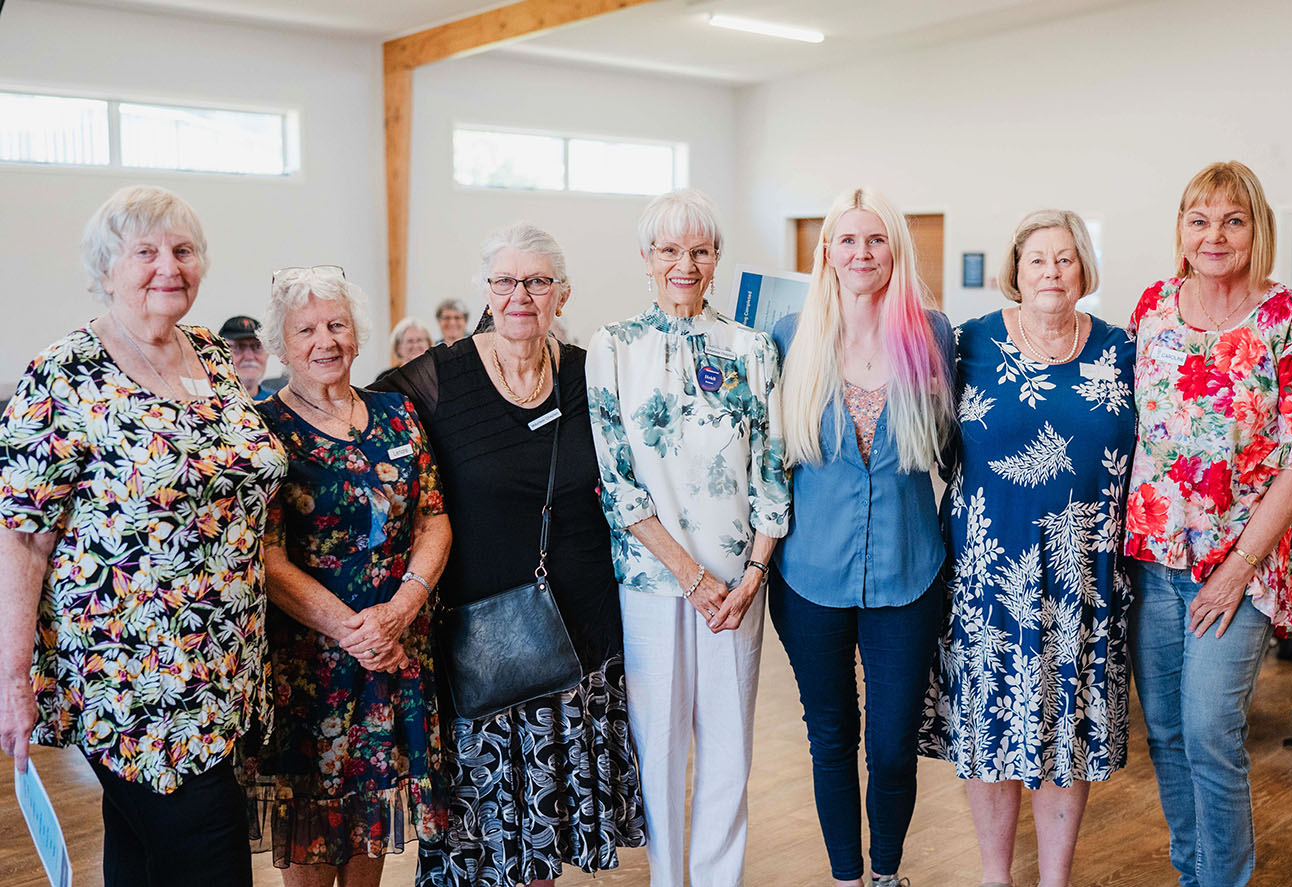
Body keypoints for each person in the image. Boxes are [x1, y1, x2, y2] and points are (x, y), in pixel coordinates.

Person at [0, 185, 288, 887]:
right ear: (106, 269)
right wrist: (11, 677)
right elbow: (22, 535)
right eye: (146, 252)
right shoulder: (64, 372)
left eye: (184, 251)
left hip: (223, 667)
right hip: (131, 678)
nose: (170, 266)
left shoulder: (212, 357)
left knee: (143, 856)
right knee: (209, 855)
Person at [377, 223, 645, 887]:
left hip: (581, 640)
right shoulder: (427, 383)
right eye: (505, 280)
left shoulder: (592, 374)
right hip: (483, 650)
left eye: (537, 280)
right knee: (481, 843)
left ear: (563, 293)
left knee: (541, 849)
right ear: (485, 291)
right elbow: (366, 462)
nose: (520, 293)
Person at [1124, 160, 1292, 887]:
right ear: (1182, 230)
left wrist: (1239, 565)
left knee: (1212, 730)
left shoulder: (1290, 319)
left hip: (1242, 566)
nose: (1215, 234)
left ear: (1257, 230)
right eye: (1200, 219)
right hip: (1153, 557)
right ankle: (1193, 873)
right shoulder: (1152, 306)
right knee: (1169, 735)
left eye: (1233, 219)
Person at [918, 209, 1136, 887]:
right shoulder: (970, 343)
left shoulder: (1123, 347)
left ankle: (1055, 878)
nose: (1051, 271)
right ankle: (994, 876)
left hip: (1086, 577)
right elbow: (930, 438)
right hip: (987, 573)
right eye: (1037, 258)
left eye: (1065, 258)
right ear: (1016, 270)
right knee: (991, 729)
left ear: (1084, 270)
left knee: (1065, 733)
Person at [586, 188, 791, 887]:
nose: (685, 263)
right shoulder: (613, 347)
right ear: (647, 259)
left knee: (729, 748)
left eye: (699, 251)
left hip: (738, 586)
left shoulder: (753, 349)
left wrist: (752, 575)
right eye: (670, 250)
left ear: (716, 260)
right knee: (661, 745)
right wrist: (688, 575)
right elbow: (619, 482)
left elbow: (772, 473)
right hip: (651, 580)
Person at [239, 266, 451, 886]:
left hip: (394, 651)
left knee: (371, 827)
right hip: (308, 667)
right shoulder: (263, 429)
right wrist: (355, 628)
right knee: (310, 836)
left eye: (337, 325)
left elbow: (433, 521)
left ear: (357, 336)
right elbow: (265, 556)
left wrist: (398, 613)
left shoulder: (397, 413)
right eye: (306, 329)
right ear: (282, 345)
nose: (325, 340)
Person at [769, 187, 953, 887]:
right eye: (847, 240)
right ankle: (848, 877)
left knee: (893, 743)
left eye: (875, 240)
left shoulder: (931, 334)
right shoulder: (791, 335)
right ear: (826, 252)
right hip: (809, 575)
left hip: (909, 574)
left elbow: (958, 444)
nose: (861, 253)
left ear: (894, 250)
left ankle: (887, 873)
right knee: (831, 736)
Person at [219, 314, 280, 400]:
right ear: (219, 353)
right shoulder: (206, 404)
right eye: (238, 347)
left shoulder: (278, 405)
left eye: (257, 347)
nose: (249, 357)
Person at [378, 316, 435, 381]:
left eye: (420, 340)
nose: (415, 345)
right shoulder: (384, 379)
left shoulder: (439, 376)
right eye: (409, 341)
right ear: (398, 346)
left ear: (429, 344)